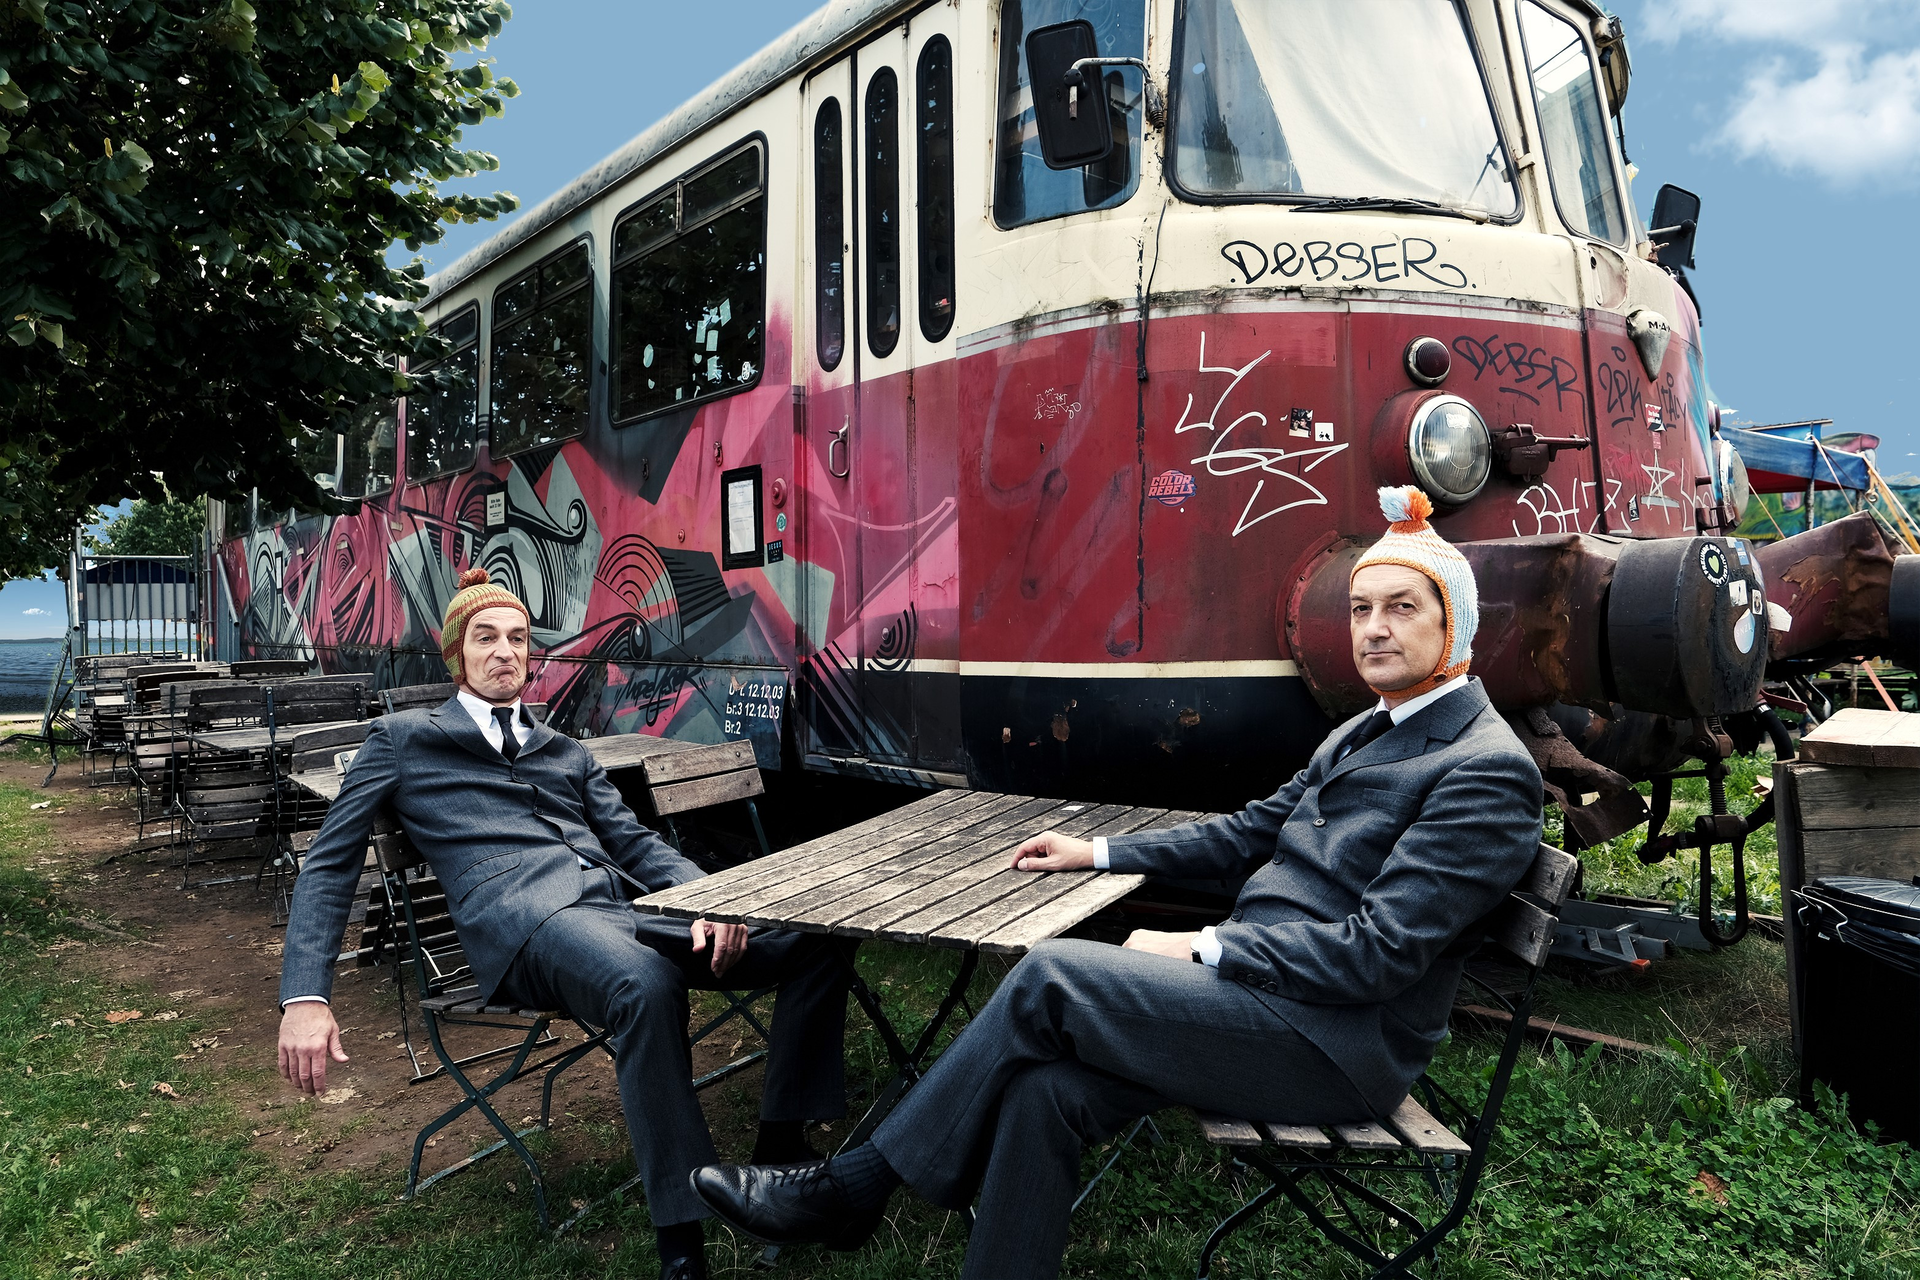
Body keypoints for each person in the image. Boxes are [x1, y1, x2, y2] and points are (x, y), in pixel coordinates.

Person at [690, 486, 1545, 1279]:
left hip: (1336, 1045)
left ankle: (851, 1190)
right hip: (1269, 1006)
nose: (1375, 629)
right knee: (1045, 1091)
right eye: (1361, 608)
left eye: (1403, 608)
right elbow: (1247, 831)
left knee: (1054, 973)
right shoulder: (1363, 730)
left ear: (1456, 627)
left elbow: (1377, 956)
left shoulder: (1483, 770)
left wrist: (1204, 946)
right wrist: (1098, 852)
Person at [276, 568, 853, 1280]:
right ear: (456, 655)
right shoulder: (402, 739)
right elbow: (330, 863)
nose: (505, 652)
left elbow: (635, 843)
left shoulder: (564, 748)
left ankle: (779, 1150)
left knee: (816, 935)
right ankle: (683, 1242)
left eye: (518, 638)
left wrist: (710, 902)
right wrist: (306, 995)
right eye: (485, 638)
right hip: (525, 926)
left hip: (622, 909)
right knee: (644, 984)